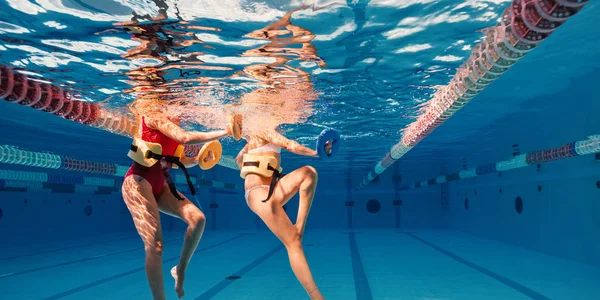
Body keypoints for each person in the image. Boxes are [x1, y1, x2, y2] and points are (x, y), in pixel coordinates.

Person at [122, 101, 242, 300]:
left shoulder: (173, 119)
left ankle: (180, 269)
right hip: (137, 182)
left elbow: (180, 159)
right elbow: (184, 138)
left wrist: (201, 158)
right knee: (155, 245)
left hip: (161, 185)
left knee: (198, 219)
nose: (181, 114)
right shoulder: (153, 113)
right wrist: (226, 131)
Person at [236, 129, 325, 300]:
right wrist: (316, 152)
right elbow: (289, 145)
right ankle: (317, 298)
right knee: (293, 244)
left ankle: (299, 228)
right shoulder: (264, 128)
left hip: (273, 190)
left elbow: (239, 160)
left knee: (309, 173)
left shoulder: (252, 141)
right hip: (257, 193)